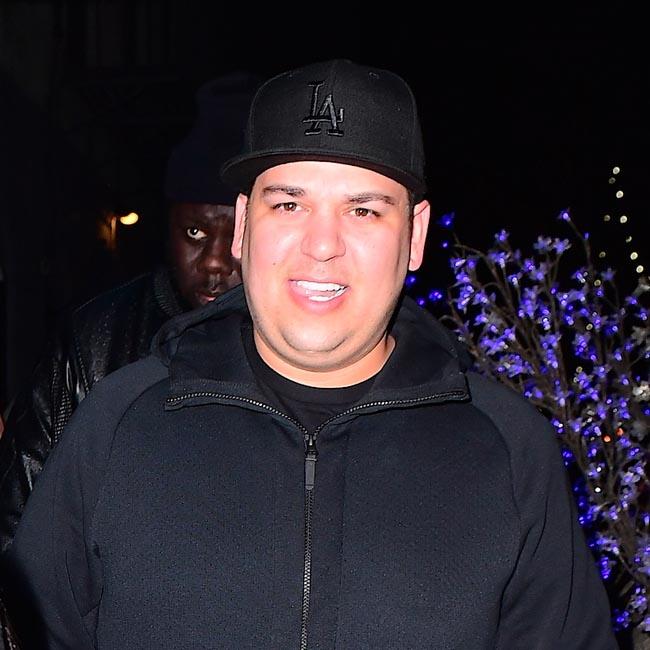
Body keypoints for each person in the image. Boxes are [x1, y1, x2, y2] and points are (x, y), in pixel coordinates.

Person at [2, 59, 618, 649]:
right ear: (244, 225)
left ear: (416, 234)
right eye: (289, 204)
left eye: (363, 210)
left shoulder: (510, 451)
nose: (322, 244)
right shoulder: (116, 423)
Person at [0, 71, 258, 555]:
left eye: (239, 237)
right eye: (195, 233)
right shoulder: (95, 341)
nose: (215, 261)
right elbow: (18, 518)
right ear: (169, 226)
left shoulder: (307, 348)